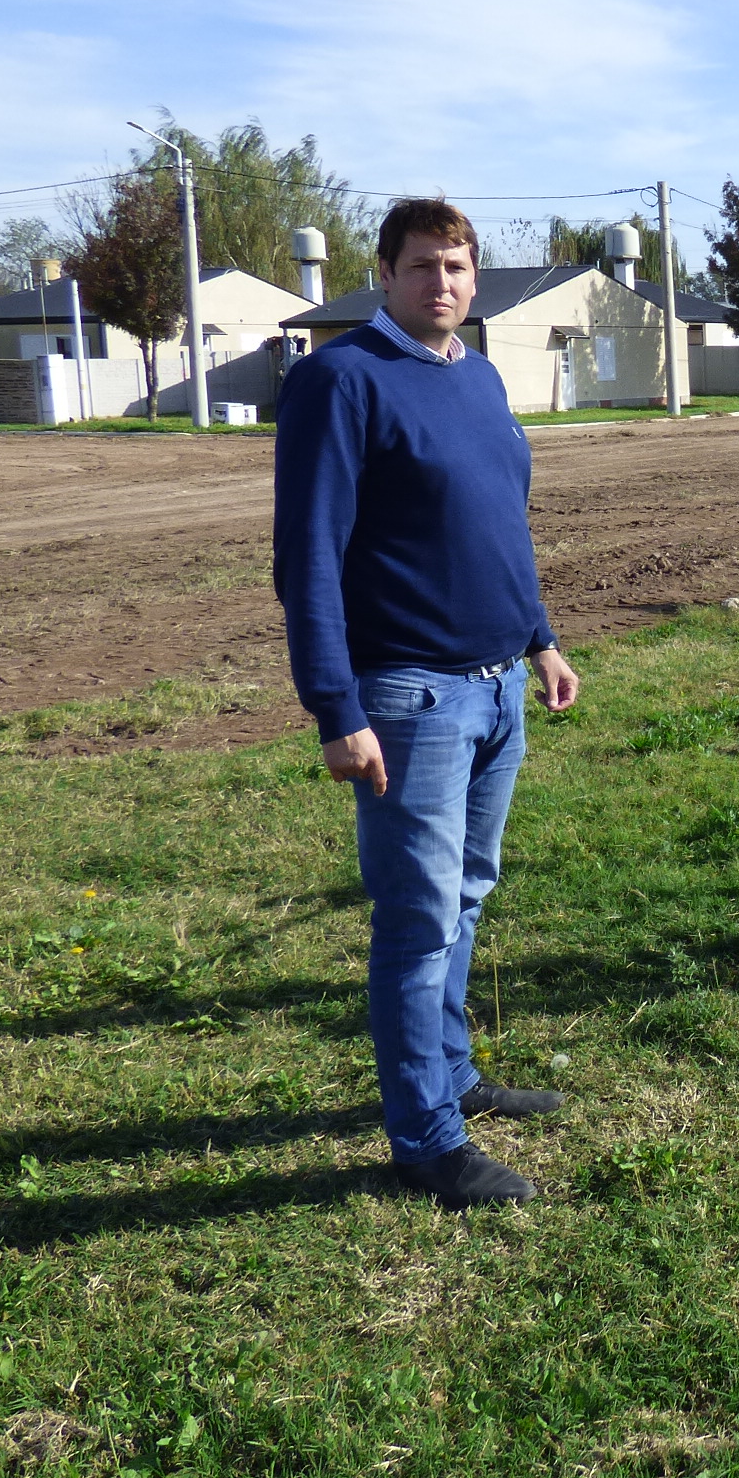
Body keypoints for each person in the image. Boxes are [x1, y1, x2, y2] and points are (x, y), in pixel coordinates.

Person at [274, 198, 582, 1209]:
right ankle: (427, 1145)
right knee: (417, 922)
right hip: (409, 698)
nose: (439, 282)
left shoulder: (478, 376)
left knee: (465, 897)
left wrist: (538, 638)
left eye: (455, 265)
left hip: (498, 687)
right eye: (420, 265)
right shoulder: (340, 380)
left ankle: (451, 1076)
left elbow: (498, 525)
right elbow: (308, 555)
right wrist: (336, 708)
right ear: (385, 273)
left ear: (474, 276)